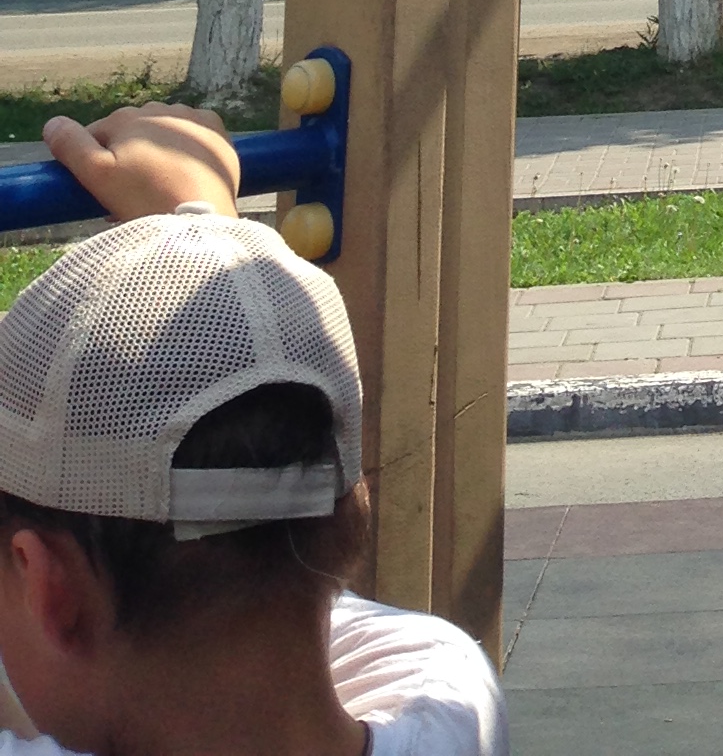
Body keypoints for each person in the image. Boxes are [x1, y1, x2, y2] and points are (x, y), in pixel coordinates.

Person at [0, 102, 503, 756]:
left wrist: (196, 224)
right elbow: (260, 587)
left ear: (49, 590)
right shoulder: (454, 707)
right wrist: (206, 234)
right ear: (351, 516)